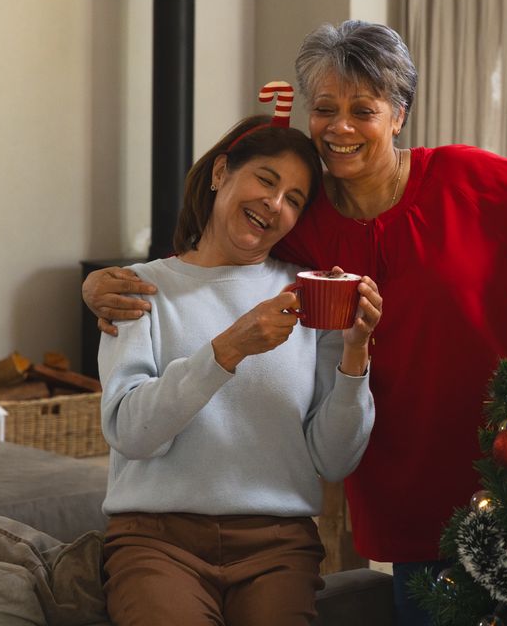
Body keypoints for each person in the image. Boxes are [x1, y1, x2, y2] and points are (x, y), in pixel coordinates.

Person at [83, 20, 507, 626]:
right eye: (324, 108)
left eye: (362, 110)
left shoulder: (466, 178)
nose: (339, 127)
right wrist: (100, 285)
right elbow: (209, 267)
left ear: (398, 116)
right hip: (406, 489)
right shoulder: (305, 222)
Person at [97, 110, 382, 626]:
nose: (274, 205)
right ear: (220, 172)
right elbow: (130, 432)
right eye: (266, 180)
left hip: (277, 546)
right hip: (157, 539)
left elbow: (334, 460)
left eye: (294, 200)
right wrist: (227, 349)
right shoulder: (138, 289)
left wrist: (355, 351)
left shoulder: (309, 294)